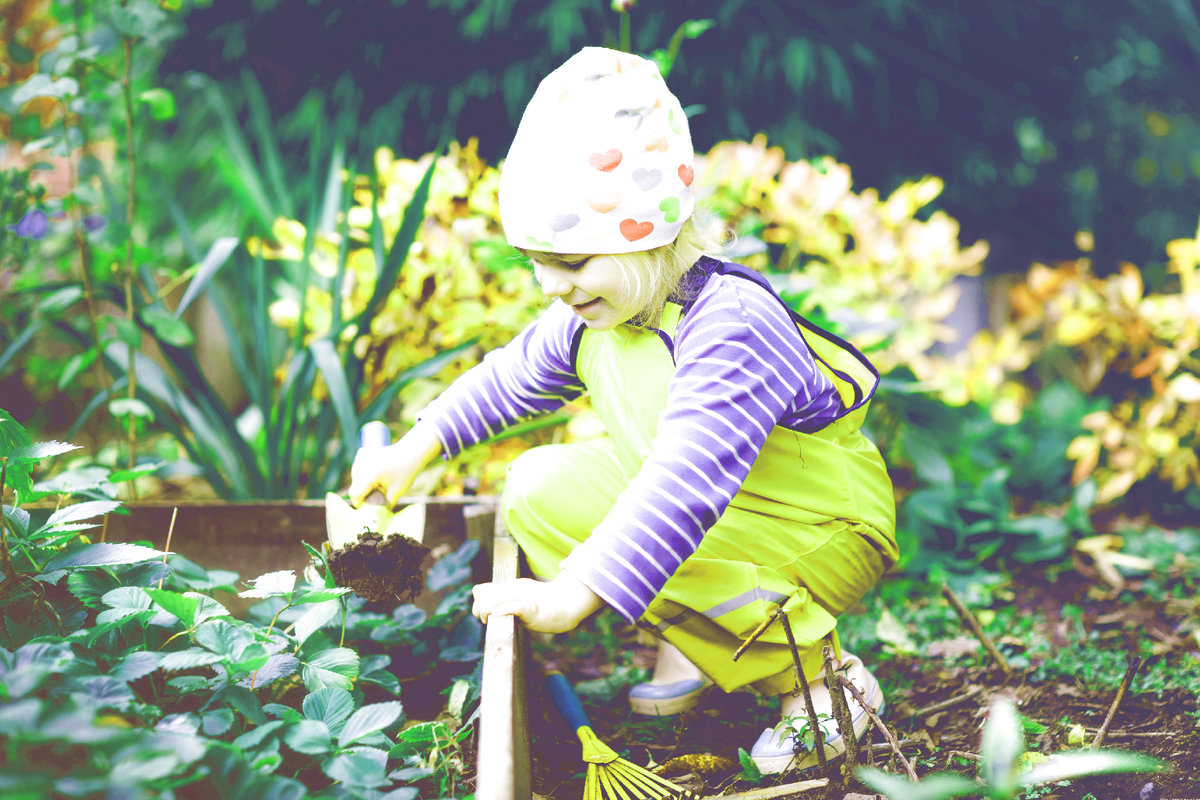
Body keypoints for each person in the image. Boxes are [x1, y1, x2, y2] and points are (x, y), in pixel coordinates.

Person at [348, 46, 898, 773]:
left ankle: (826, 686)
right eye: (535, 261)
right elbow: (508, 378)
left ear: (655, 234)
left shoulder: (728, 322)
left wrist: (574, 592)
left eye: (571, 263)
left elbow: (683, 486)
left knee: (657, 529)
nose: (550, 285)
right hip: (729, 513)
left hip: (819, 525)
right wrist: (409, 452)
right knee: (536, 490)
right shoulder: (603, 310)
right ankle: (704, 637)